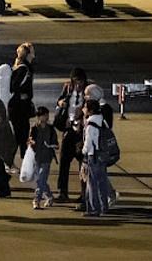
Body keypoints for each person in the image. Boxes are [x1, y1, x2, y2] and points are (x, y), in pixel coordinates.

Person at [54, 67, 90, 202]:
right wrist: (61, 103)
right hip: (68, 129)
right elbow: (59, 100)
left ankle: (84, 193)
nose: (79, 85)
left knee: (83, 163)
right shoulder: (68, 88)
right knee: (64, 161)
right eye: (76, 81)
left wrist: (81, 117)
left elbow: (93, 106)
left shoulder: (88, 89)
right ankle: (62, 192)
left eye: (80, 81)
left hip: (81, 131)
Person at [82, 100, 112, 217]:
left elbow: (88, 144)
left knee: (92, 183)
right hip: (103, 155)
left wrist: (83, 152)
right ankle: (104, 206)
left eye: (85, 107)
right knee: (102, 182)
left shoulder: (90, 124)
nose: (83, 109)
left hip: (93, 156)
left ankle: (94, 208)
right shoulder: (102, 120)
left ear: (90, 110)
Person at [8, 42, 35, 158]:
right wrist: (22, 95)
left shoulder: (24, 66)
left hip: (20, 106)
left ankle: (23, 161)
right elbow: (14, 86)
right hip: (19, 107)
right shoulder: (24, 68)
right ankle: (8, 160)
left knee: (22, 135)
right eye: (33, 51)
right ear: (28, 54)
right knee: (20, 135)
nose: (34, 53)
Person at [28, 106, 58, 209]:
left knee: (41, 179)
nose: (46, 117)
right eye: (44, 115)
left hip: (46, 157)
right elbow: (30, 139)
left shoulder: (51, 129)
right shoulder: (34, 128)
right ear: (39, 117)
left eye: (47, 115)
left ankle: (37, 199)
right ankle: (49, 196)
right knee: (40, 180)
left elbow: (55, 142)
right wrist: (32, 142)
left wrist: (53, 145)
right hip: (36, 157)